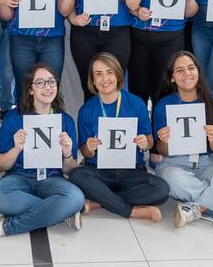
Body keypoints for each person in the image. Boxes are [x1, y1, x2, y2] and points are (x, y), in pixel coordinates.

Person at [0, 64, 85, 239]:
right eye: (40, 82)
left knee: (76, 197)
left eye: (51, 81)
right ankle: (59, 214)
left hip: (51, 178)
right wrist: (16, 149)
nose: (47, 87)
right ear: (30, 90)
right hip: (19, 177)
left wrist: (67, 153)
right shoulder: (14, 117)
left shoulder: (66, 120)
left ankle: (6, 227)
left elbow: (69, 169)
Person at [152, 51, 213, 228]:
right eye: (180, 70)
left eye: (191, 68)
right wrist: (165, 141)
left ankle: (197, 208)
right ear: (172, 78)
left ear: (198, 71)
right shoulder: (164, 104)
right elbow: (161, 151)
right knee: (172, 180)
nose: (187, 74)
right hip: (174, 163)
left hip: (206, 163)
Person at [70, 53, 169, 221]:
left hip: (131, 169)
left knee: (161, 190)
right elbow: (85, 153)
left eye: (109, 72)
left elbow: (150, 140)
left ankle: (100, 201)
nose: (104, 78)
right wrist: (89, 148)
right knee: (76, 176)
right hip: (99, 170)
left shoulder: (136, 103)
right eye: (98, 74)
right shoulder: (87, 109)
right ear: (92, 80)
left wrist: (145, 143)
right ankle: (133, 211)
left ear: (118, 74)